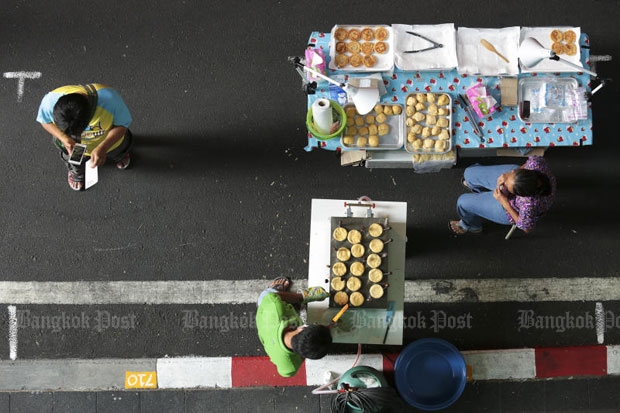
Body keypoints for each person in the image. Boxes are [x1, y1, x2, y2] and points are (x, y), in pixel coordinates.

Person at [36, 83, 133, 191]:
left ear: (90, 116)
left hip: (110, 143)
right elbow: (45, 121)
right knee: (75, 163)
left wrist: (103, 148)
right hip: (75, 145)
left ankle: (119, 156)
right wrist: (63, 137)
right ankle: (77, 175)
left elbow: (122, 126)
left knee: (119, 149)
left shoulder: (110, 100)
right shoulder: (50, 101)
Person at [449, 155, 556, 234]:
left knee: (462, 202)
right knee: (469, 173)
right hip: (519, 183)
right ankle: (479, 192)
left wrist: (504, 202)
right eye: (512, 174)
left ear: (520, 195)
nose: (503, 183)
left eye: (509, 189)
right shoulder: (536, 164)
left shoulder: (529, 205)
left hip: (509, 207)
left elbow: (526, 228)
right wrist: (508, 175)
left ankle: (472, 226)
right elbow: (527, 163)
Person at [256, 277, 332, 377]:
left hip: (265, 315)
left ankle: (278, 291)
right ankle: (277, 290)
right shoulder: (274, 308)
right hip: (268, 321)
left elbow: (273, 296)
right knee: (269, 296)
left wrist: (302, 297)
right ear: (301, 327)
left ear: (302, 328)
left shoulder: (290, 368)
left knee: (267, 296)